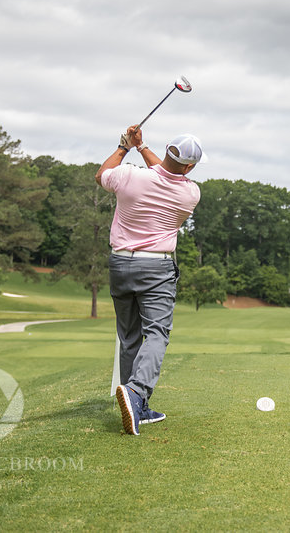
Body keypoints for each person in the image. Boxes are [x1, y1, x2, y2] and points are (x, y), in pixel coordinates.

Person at [96, 125, 205, 436]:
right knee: (156, 334)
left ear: (168, 148)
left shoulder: (129, 175)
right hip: (156, 268)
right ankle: (136, 392)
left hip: (119, 263)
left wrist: (125, 146)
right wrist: (143, 149)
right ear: (191, 166)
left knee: (129, 337)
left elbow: (102, 174)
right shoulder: (190, 193)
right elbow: (166, 172)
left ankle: (137, 407)